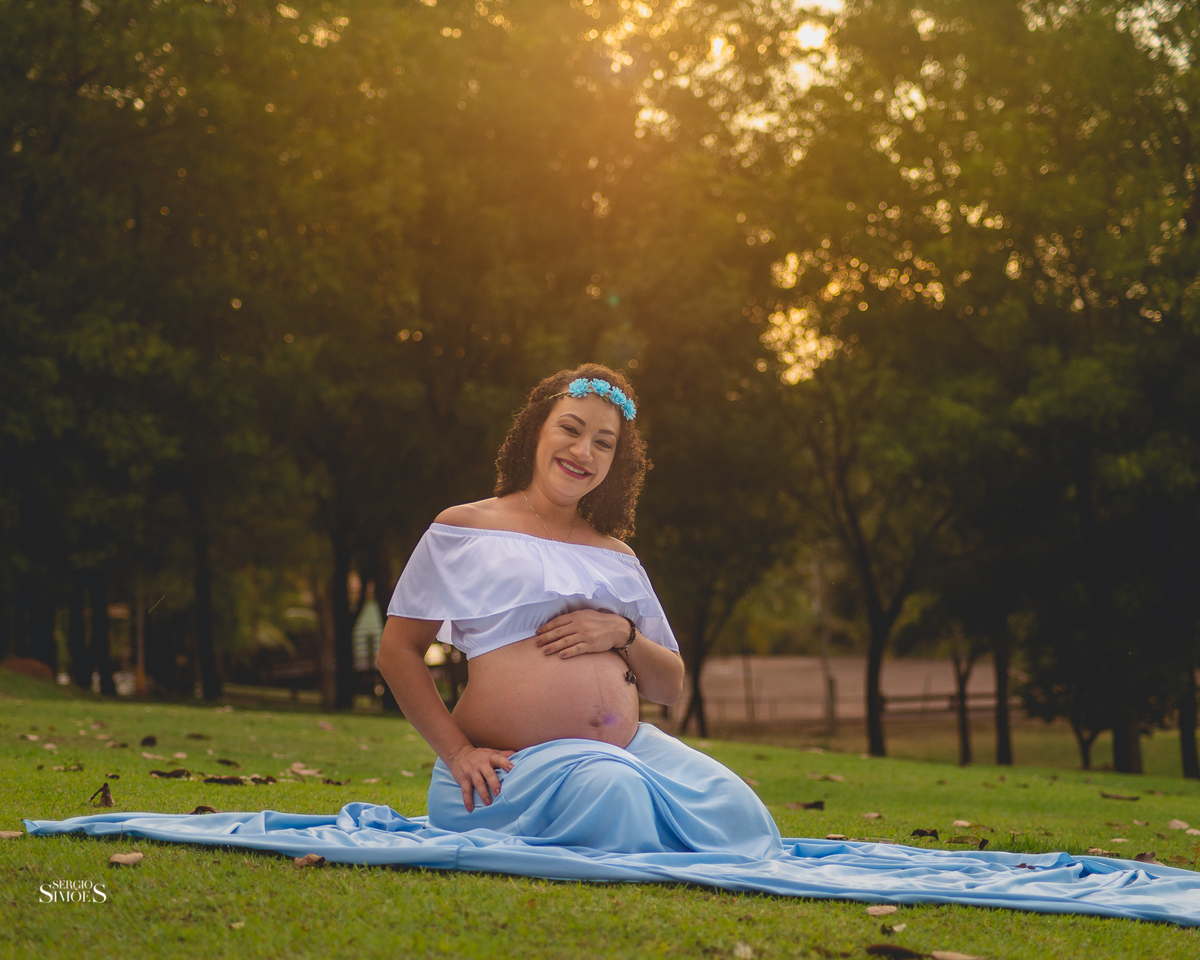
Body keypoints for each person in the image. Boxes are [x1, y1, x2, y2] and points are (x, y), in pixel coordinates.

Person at [376, 363, 779, 851]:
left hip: (626, 752)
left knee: (743, 815)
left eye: (604, 443)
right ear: (535, 432)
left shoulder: (618, 556)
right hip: (507, 771)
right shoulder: (465, 527)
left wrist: (621, 634)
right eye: (570, 429)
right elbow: (397, 651)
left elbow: (670, 686)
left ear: (615, 462)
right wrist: (459, 753)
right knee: (615, 793)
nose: (583, 451)